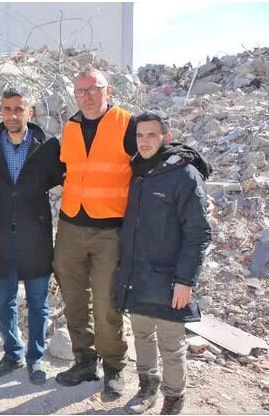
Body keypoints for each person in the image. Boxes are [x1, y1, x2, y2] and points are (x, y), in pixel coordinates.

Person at [116, 112, 212, 415]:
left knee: (171, 345)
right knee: (142, 335)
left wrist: (185, 281)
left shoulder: (184, 175)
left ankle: (174, 398)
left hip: (170, 279)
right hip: (138, 274)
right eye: (140, 136)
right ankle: (148, 386)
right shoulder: (137, 171)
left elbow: (198, 233)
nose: (144, 142)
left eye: (151, 135)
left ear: (165, 137)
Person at [53, 68, 137, 398]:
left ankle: (114, 365)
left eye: (93, 89)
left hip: (109, 230)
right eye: (81, 91)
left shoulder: (128, 124)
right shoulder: (71, 127)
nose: (87, 96)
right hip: (71, 225)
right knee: (74, 300)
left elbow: (151, 157)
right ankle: (84, 361)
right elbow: (66, 169)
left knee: (106, 303)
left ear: (109, 90)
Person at [0, 87, 64, 385]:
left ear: (30, 112)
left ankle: (36, 358)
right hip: (0, 233)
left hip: (35, 234)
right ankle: (12, 353)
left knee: (38, 301)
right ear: (1, 111)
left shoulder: (47, 147)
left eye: (19, 109)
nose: (13, 114)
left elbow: (65, 177)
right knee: (5, 301)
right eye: (7, 108)